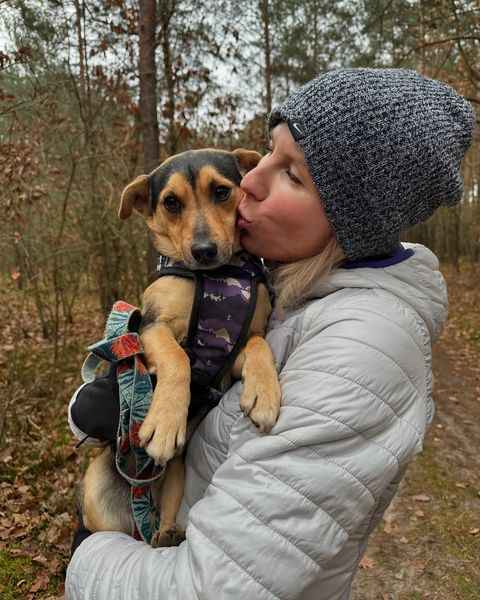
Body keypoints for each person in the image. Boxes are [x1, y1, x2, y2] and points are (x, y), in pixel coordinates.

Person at [65, 68, 475, 599]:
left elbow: (215, 588)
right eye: (268, 153)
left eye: (291, 174)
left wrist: (86, 556)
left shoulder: (363, 350)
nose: (251, 178)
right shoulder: (288, 292)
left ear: (352, 218)